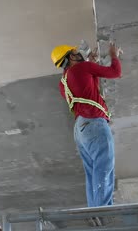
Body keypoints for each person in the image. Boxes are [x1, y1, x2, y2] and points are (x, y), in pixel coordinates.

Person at [50, 42, 122, 207]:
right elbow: (115, 72)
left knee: (92, 173)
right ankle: (104, 213)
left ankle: (96, 212)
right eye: (75, 52)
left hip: (81, 130)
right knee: (104, 166)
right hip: (94, 123)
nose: (78, 53)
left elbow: (90, 87)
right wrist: (113, 55)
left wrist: (91, 62)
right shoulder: (83, 68)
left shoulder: (63, 83)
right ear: (71, 56)